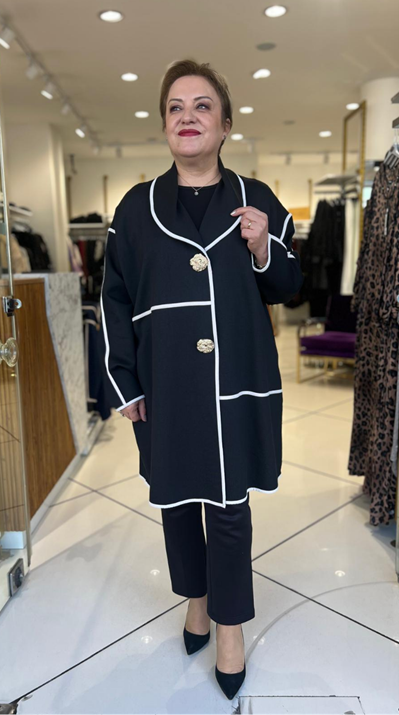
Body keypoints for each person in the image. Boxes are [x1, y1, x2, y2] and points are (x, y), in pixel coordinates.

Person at [100, 59, 303, 700]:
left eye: (202, 106)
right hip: (166, 383)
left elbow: (290, 285)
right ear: (165, 124)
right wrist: (124, 382)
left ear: (225, 124)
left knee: (230, 505)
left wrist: (264, 248)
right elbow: (114, 300)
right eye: (176, 107)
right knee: (179, 501)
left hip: (237, 377)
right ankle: (194, 598)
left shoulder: (257, 199)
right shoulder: (134, 209)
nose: (187, 117)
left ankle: (230, 625)